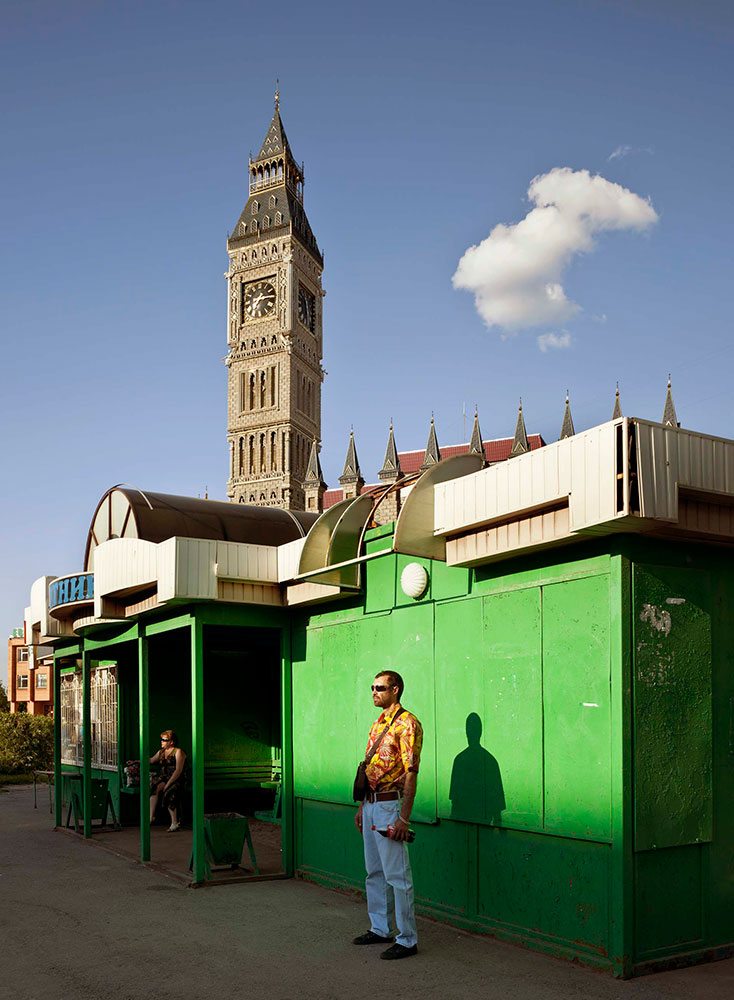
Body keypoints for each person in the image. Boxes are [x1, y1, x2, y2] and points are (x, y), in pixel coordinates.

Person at [353, 670, 423, 960]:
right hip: (370, 804)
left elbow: (411, 773)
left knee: (397, 875)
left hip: (389, 805)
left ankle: (407, 939)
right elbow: (370, 768)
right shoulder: (379, 722)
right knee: (374, 871)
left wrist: (403, 818)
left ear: (395, 689)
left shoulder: (408, 723)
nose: (374, 692)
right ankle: (380, 928)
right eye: (372, 687)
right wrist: (361, 807)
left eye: (379, 687)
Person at [149, 730, 187, 831]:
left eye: (164, 740)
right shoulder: (161, 752)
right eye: (161, 739)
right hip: (164, 778)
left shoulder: (179, 752)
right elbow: (151, 760)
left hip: (177, 779)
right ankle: (151, 817)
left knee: (170, 792)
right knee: (154, 787)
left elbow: (178, 770)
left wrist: (168, 784)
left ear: (172, 742)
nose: (162, 741)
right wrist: (136, 761)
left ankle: (174, 823)